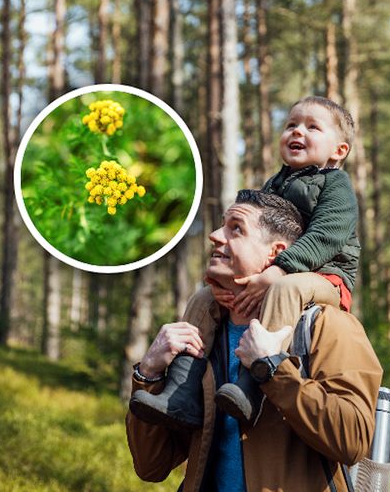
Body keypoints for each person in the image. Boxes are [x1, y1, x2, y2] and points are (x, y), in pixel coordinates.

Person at [126, 190, 382, 492]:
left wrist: (274, 369)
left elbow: (352, 440)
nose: (214, 236)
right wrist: (149, 374)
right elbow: (151, 466)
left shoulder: (328, 326)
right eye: (222, 225)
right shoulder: (204, 332)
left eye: (236, 228)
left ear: (276, 253)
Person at [130, 96, 361, 428]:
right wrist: (227, 287)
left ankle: (252, 386)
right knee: (203, 298)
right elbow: (257, 243)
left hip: (327, 276)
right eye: (291, 125)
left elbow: (328, 234)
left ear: (339, 151)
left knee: (285, 287)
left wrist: (279, 268)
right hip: (282, 271)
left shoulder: (335, 185)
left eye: (312, 127)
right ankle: (181, 391)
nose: (298, 131)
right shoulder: (275, 185)